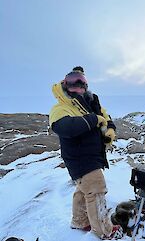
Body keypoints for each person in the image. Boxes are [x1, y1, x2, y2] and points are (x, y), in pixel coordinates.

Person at [49, 66, 122, 239]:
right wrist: (94, 119)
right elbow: (66, 128)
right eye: (74, 82)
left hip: (93, 156)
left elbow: (106, 116)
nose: (79, 87)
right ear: (66, 85)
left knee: (83, 190)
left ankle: (80, 221)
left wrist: (109, 130)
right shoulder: (60, 107)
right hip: (80, 158)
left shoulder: (89, 103)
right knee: (96, 191)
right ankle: (103, 231)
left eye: (82, 83)